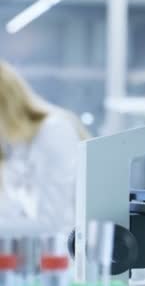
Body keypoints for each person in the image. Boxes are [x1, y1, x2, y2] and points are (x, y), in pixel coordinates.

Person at [0, 60, 89, 230]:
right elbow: (11, 210)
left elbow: (51, 223)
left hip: (64, 250)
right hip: (35, 250)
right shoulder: (14, 146)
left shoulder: (54, 131)